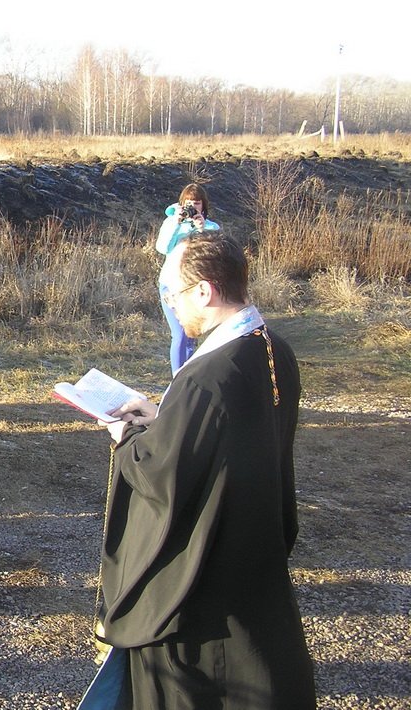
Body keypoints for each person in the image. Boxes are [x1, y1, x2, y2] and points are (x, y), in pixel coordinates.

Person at [98, 232, 316, 708]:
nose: (171, 306)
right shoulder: (272, 347)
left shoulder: (206, 376)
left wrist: (128, 437)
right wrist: (164, 418)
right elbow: (231, 439)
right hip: (252, 543)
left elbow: (166, 475)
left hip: (208, 570)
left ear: (205, 290)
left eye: (172, 294)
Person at [155, 183, 220, 375]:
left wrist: (201, 230)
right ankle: (178, 380)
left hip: (195, 287)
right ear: (182, 203)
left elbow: (212, 254)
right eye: (189, 203)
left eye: (197, 203)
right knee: (180, 335)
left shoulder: (211, 227)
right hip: (172, 285)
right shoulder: (171, 223)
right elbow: (163, 248)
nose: (193, 207)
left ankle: (191, 378)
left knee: (192, 335)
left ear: (203, 205)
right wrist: (176, 223)